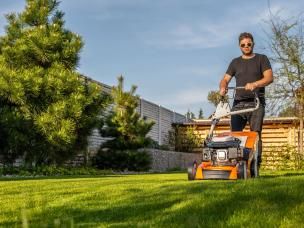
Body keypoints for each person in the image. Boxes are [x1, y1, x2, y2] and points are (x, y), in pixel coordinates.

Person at [219, 32, 273, 168]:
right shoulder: (235, 62)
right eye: (243, 45)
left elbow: (269, 78)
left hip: (256, 102)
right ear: (239, 46)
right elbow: (225, 79)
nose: (246, 46)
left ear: (253, 44)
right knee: (235, 134)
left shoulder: (262, 59)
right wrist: (223, 87)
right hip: (238, 103)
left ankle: (255, 165)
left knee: (255, 134)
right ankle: (235, 163)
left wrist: (255, 84)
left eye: (249, 44)